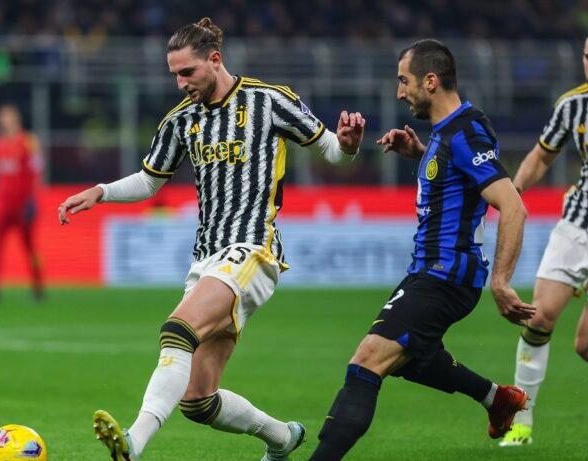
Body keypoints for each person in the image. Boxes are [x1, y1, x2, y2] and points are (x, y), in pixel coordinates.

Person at [58, 17, 365, 461]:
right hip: (207, 258)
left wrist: (349, 145)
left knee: (176, 330)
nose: (181, 83)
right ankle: (282, 438)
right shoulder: (181, 120)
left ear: (215, 59)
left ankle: (133, 442)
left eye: (187, 72)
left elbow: (332, 150)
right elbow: (149, 180)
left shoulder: (269, 100)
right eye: (175, 75)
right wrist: (100, 192)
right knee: (198, 400)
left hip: (253, 249)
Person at [307, 39, 535, 460]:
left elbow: (513, 207)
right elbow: (459, 178)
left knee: (367, 360)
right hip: (428, 270)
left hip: (447, 275)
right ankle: (496, 398)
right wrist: (421, 153)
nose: (399, 92)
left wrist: (501, 282)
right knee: (414, 357)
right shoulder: (449, 133)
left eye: (404, 81)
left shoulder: (466, 132)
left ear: (430, 81)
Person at [499, 37, 588, 447]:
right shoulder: (572, 105)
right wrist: (513, 191)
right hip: (577, 225)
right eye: (587, 56)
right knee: (538, 318)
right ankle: (522, 422)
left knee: (584, 345)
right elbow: (541, 155)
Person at [0, 104, 44, 302]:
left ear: (16, 118)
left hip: (23, 204)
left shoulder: (29, 141)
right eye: (1, 116)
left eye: (7, 116)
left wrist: (32, 200)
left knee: (30, 247)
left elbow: (37, 171)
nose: (3, 120)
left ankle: (38, 286)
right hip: (3, 204)